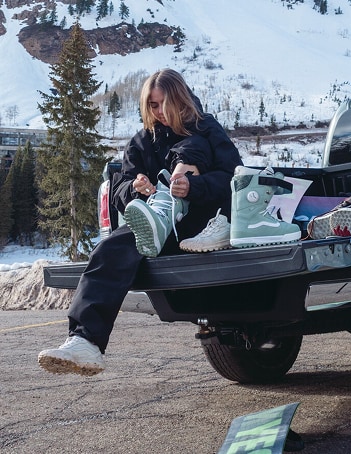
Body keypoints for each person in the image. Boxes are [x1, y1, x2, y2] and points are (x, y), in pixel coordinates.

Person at [38, 68, 243, 376]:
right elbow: (119, 187)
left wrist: (193, 187)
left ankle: (163, 212)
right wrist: (134, 188)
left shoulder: (205, 130)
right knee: (107, 251)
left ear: (180, 100)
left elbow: (233, 177)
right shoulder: (141, 141)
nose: (158, 112)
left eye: (163, 104)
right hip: (148, 227)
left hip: (199, 223)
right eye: (152, 105)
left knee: (191, 148)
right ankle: (84, 341)